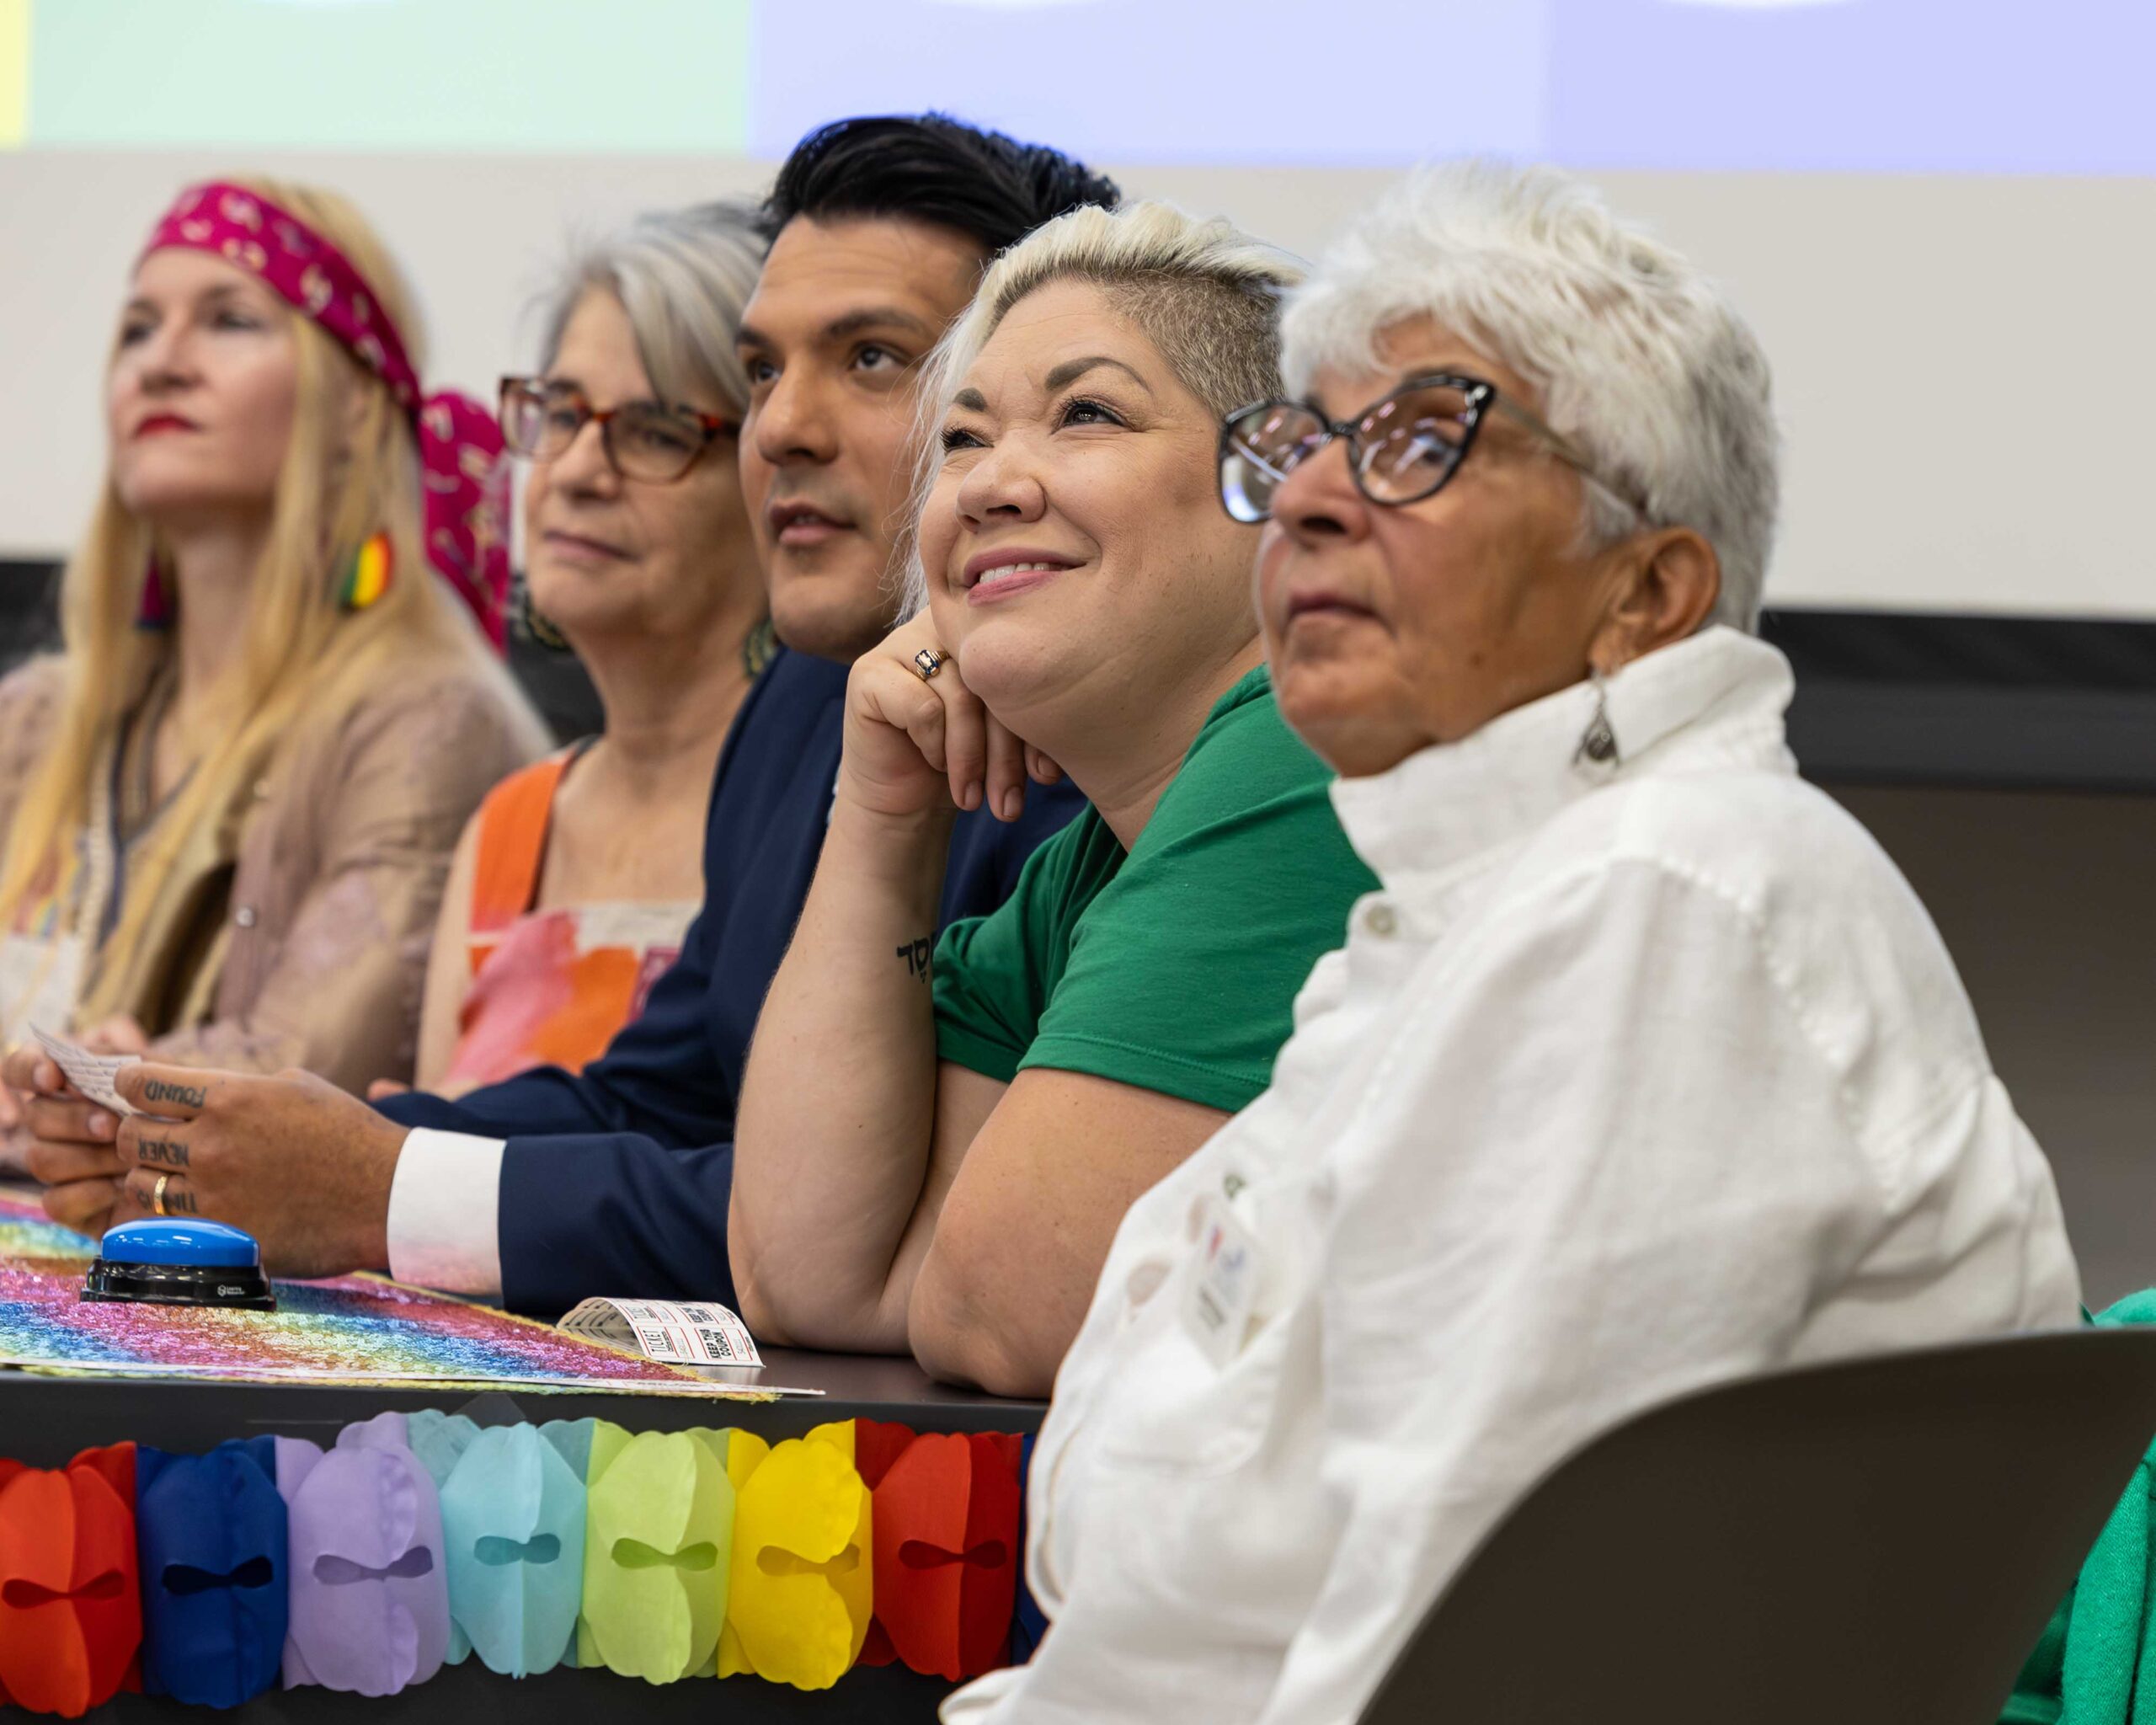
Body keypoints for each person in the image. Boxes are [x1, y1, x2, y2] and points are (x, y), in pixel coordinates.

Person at [942, 160, 2082, 1725]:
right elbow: (1127, 1526)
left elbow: (1448, 1632)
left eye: (1421, 441)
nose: (1319, 497)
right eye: (1307, 442)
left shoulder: (1668, 899)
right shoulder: (1448, 911)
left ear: (1647, 592)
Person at [9, 116, 1113, 1306]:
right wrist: (265, 1143)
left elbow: (872, 1223)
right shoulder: (805, 704)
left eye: (872, 359)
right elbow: (657, 1096)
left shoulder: (1097, 748)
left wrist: (375, 1186)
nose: (782, 427)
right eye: (759, 374)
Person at [728, 203, 1381, 1398]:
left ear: (1278, 482)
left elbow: (999, 1310)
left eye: (1087, 414)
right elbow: (815, 1277)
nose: (988, 486)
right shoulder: (1088, 863)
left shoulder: (1310, 752)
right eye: (966, 439)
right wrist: (886, 815)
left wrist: (947, 1278)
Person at [0, 175, 543, 1192]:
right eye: (135, 329)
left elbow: (304, 1084)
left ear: (353, 406)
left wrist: (70, 1092)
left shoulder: (424, 720)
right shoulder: (34, 722)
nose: (162, 361)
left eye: (230, 320)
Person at [411, 203, 771, 1097]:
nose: (574, 469)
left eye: (655, 431)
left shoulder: (823, 815)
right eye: (562, 414)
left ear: (776, 480)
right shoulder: (508, 828)